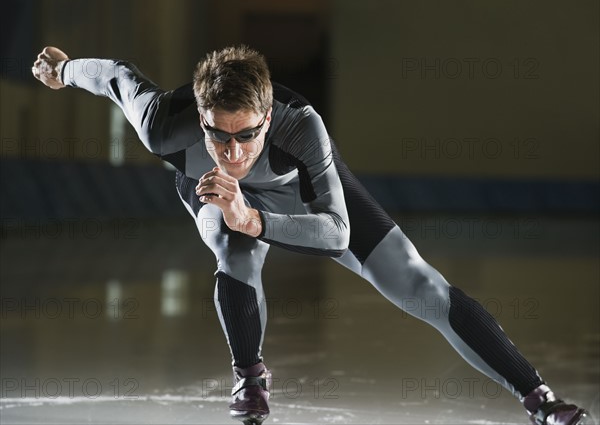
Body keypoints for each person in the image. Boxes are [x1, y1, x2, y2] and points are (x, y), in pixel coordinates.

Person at [32, 45, 591, 425]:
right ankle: (249, 379)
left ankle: (538, 398)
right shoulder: (162, 121)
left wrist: (255, 217)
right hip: (217, 199)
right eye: (217, 136)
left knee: (421, 286)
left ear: (268, 117)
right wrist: (64, 69)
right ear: (199, 116)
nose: (232, 153)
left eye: (247, 136)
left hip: (310, 205)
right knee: (233, 249)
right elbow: (112, 77)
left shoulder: (303, 126)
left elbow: (335, 230)